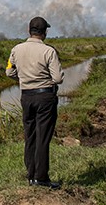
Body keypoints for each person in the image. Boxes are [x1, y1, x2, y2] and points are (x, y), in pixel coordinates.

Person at [6, 16, 63, 189]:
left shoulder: (16, 49)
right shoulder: (49, 51)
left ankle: (31, 176)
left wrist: (23, 77)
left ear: (29, 31)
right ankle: (42, 178)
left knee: (30, 136)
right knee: (42, 138)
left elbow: (9, 72)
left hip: (26, 97)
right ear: (44, 32)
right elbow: (58, 78)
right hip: (45, 97)